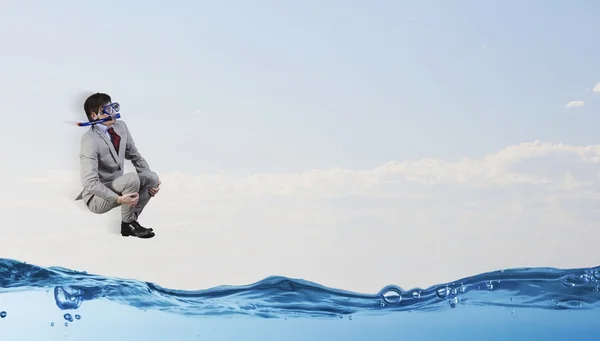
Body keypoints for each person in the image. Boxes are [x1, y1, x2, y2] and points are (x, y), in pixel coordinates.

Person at [74, 93, 160, 239]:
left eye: (113, 107)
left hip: (120, 185)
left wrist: (151, 184)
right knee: (132, 179)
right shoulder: (89, 140)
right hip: (96, 197)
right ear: (94, 115)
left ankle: (131, 221)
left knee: (152, 177)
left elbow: (135, 155)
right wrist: (118, 199)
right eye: (107, 110)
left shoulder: (121, 127)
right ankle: (128, 224)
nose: (113, 113)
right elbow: (89, 182)